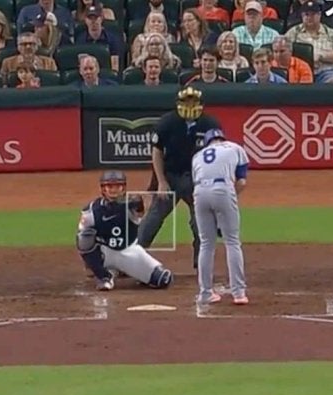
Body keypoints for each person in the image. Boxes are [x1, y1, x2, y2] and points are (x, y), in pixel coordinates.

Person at [139, 86, 223, 274]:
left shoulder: (210, 124)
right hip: (171, 175)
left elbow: (218, 152)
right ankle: (133, 257)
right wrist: (161, 181)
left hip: (197, 180)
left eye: (194, 102)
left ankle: (201, 263)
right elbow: (157, 152)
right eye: (187, 102)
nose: (190, 106)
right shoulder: (167, 122)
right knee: (154, 218)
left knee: (200, 221)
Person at [76, 170, 174, 291]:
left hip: (128, 251)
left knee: (162, 279)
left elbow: (139, 212)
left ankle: (121, 269)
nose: (114, 190)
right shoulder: (92, 210)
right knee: (85, 240)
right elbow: (83, 241)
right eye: (110, 186)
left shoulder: (132, 205)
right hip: (104, 252)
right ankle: (104, 276)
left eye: (117, 186)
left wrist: (136, 204)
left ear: (123, 188)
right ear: (103, 189)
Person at [191, 128, 249, 306]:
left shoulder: (197, 156)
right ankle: (238, 293)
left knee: (206, 244)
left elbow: (196, 179)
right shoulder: (235, 148)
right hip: (223, 188)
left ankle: (205, 293)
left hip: (199, 193)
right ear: (222, 139)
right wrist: (228, 201)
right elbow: (241, 181)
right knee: (232, 241)